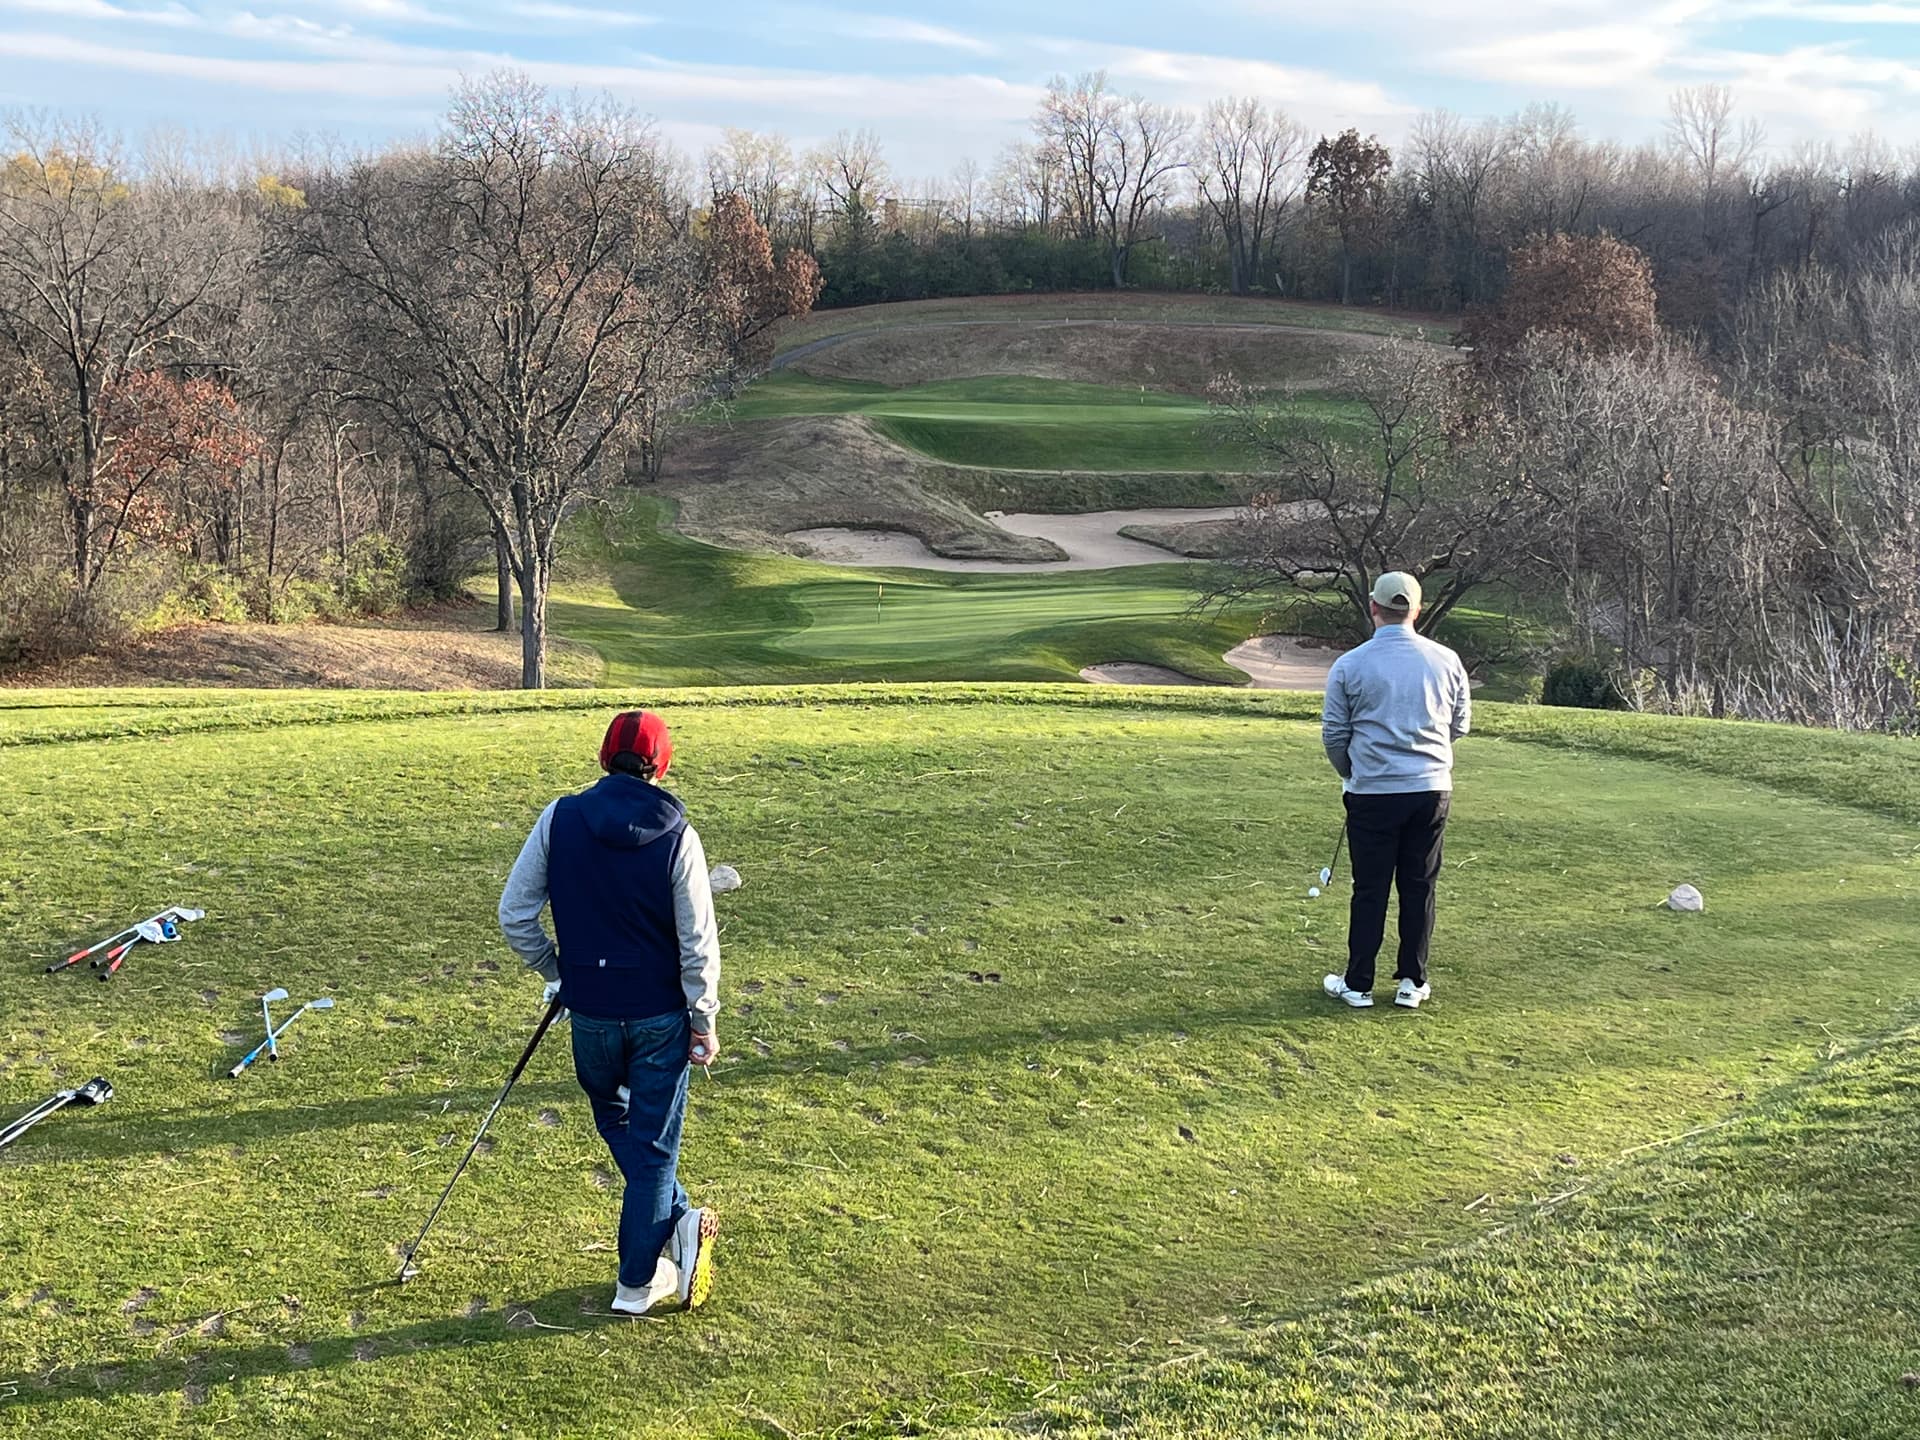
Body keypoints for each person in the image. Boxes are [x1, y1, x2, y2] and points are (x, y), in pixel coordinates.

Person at [497, 709, 722, 1315]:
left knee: (617, 1119)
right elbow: (698, 941)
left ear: (604, 758)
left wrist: (556, 972)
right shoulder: (680, 835)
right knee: (653, 1149)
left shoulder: (559, 818)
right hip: (660, 1017)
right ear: (661, 766)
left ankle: (677, 1219)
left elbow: (515, 914)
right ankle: (636, 1284)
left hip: (591, 1013)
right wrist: (704, 1019)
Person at [1318, 572, 1471, 1011]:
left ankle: (1358, 984)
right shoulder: (1446, 660)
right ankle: (1411, 982)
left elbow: (1334, 735)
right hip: (1431, 790)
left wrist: (1353, 773)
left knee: (1370, 888)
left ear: (1374, 607)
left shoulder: (1351, 664)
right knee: (1419, 885)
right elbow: (1459, 725)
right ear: (1417, 610)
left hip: (1372, 792)